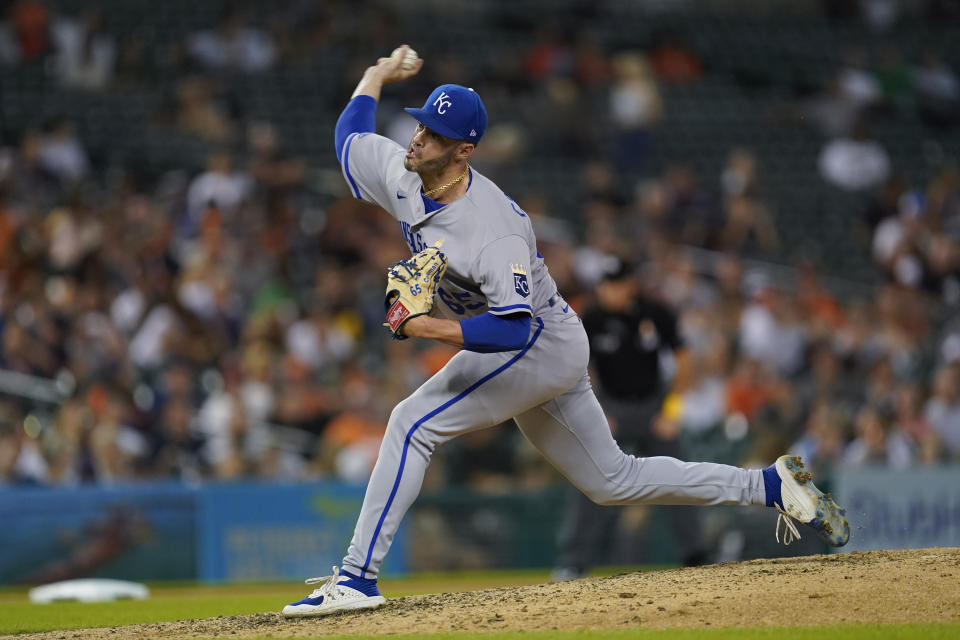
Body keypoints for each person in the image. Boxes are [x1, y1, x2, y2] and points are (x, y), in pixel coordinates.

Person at [281, 45, 850, 618]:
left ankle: (357, 577)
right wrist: (376, 74)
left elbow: (511, 330)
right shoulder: (405, 173)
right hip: (544, 344)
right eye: (421, 122)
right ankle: (770, 487)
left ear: (464, 151)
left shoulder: (492, 229)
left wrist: (427, 326)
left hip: (538, 343)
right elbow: (349, 139)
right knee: (613, 480)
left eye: (434, 132)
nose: (418, 137)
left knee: (411, 423)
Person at [551, 258, 704, 581]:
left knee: (679, 475)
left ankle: (695, 554)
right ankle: (573, 561)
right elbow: (575, 366)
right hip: (612, 408)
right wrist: (597, 411)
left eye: (614, 284)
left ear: (629, 285)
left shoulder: (655, 313)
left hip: (653, 406)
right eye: (604, 284)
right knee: (590, 477)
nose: (607, 291)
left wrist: (671, 412)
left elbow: (685, 362)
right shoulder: (591, 317)